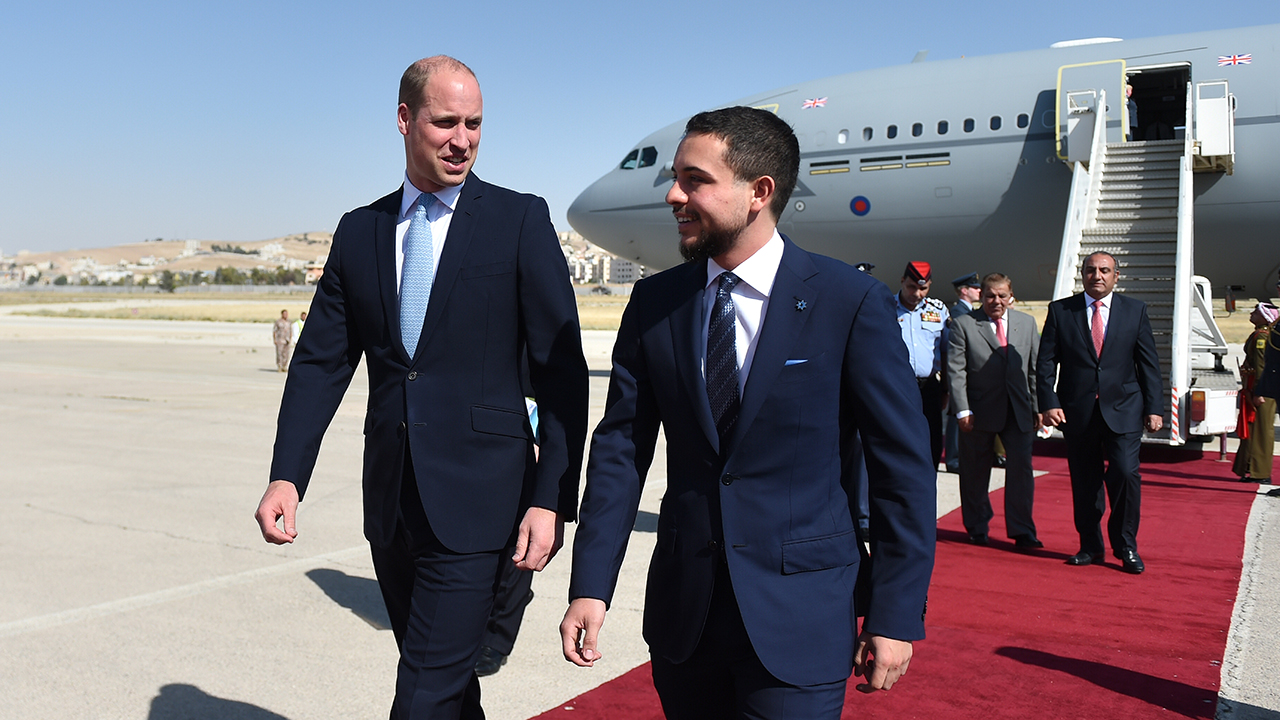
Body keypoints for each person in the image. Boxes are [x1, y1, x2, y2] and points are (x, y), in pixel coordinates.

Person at [559, 107, 936, 719]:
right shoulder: (656, 303)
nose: (675, 195)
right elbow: (621, 451)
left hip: (802, 617)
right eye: (674, 179)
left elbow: (903, 471)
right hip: (686, 619)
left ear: (760, 192)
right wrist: (591, 586)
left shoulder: (849, 302)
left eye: (695, 180)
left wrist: (894, 612)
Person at [254, 56, 588, 719]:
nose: (461, 138)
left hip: (482, 507)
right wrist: (288, 475)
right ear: (406, 120)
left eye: (474, 124)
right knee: (446, 684)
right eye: (445, 122)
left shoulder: (518, 221)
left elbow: (562, 373)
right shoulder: (362, 231)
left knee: (422, 700)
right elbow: (321, 362)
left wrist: (551, 498)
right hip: (392, 506)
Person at [1036, 251, 1162, 574]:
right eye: (1091, 270)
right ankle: (1090, 546)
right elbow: (1046, 363)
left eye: (1105, 270)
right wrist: (1048, 402)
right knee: (1085, 481)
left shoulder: (1135, 311)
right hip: (1077, 412)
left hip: (1124, 409)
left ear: (1116, 276)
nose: (1097, 276)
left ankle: (1126, 546)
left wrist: (1154, 407)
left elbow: (1148, 364)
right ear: (1082, 274)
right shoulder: (1061, 311)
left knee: (1124, 472)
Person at [947, 273, 1042, 548]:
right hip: (979, 411)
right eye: (990, 295)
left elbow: (1034, 369)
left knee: (1022, 472)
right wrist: (962, 410)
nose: (996, 301)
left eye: (1002, 296)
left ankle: (1022, 529)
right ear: (981, 296)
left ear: (1010, 296)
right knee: (975, 472)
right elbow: (956, 370)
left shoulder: (1026, 323)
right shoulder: (964, 324)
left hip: (1018, 410)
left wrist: (1038, 406)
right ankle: (977, 526)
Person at [896, 261, 949, 469]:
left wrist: (945, 388)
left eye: (923, 288)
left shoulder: (938, 311)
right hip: (898, 385)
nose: (917, 294)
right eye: (912, 287)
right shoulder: (887, 308)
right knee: (899, 436)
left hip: (929, 387)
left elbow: (945, 351)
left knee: (932, 439)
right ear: (902, 281)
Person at [1235, 302, 1278, 483]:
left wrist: (1258, 392)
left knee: (1261, 431)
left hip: (1261, 390)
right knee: (1254, 429)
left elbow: (1261, 367)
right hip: (1256, 387)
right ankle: (1251, 468)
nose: (1252, 314)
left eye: (1256, 312)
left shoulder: (1262, 337)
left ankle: (1260, 472)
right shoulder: (1260, 334)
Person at [944, 272, 983, 473]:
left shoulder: (968, 312)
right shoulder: (959, 313)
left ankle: (958, 456)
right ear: (964, 291)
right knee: (956, 413)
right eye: (975, 288)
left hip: (969, 371)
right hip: (960, 370)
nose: (979, 291)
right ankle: (953, 458)